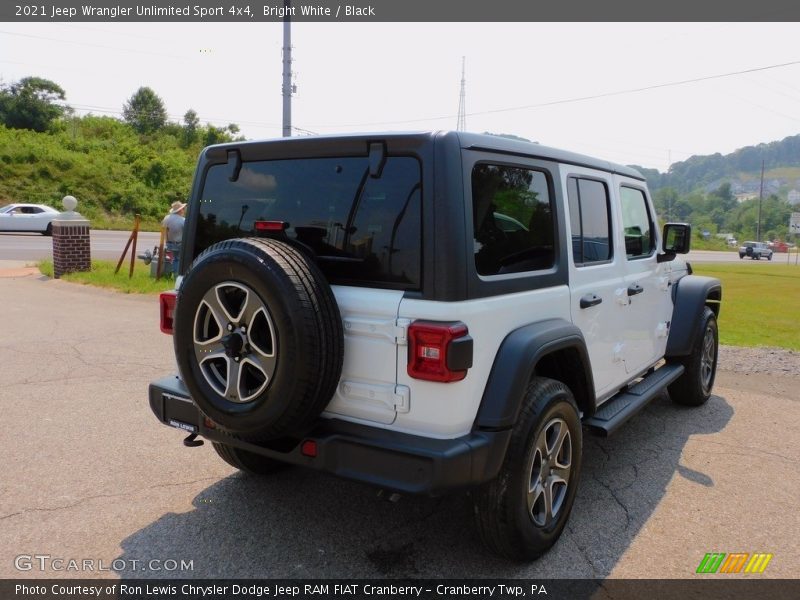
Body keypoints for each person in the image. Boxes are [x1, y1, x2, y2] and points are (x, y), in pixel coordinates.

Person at [161, 200, 186, 276]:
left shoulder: (167, 218)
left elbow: (164, 229)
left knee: (171, 259)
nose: (184, 210)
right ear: (180, 210)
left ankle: (169, 273)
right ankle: (176, 275)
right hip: (179, 243)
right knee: (178, 259)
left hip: (169, 243)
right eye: (183, 209)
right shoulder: (183, 220)